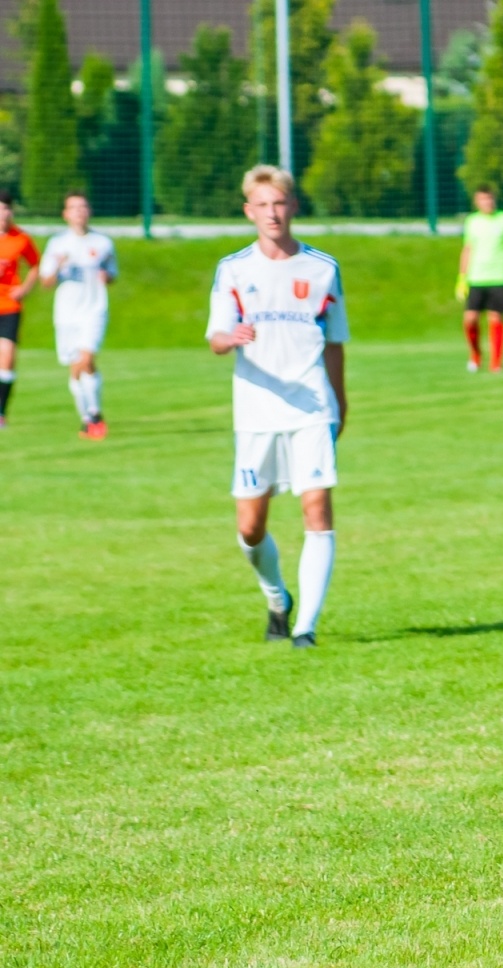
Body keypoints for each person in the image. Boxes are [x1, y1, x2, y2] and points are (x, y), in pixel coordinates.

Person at [206, 166, 349, 648]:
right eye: (262, 205)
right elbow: (216, 338)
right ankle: (277, 598)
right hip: (256, 412)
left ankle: (306, 628)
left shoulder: (323, 268)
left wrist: (340, 401)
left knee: (317, 508)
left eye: (280, 202)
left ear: (294, 207)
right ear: (249, 211)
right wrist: (231, 337)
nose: (272, 212)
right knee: (250, 528)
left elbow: (335, 343)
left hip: (311, 408)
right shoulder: (233, 269)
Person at [40, 191, 116, 439]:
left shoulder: (103, 243)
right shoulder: (57, 244)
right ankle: (88, 418)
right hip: (66, 314)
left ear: (89, 211)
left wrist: (107, 277)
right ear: (65, 214)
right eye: (74, 208)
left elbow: (112, 273)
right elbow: (46, 281)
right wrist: (59, 265)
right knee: (75, 368)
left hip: (94, 310)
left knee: (87, 358)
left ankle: (94, 414)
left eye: (83, 207)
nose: (79, 212)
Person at [456, 186, 503, 373]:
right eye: (483, 199)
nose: (487, 202)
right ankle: (476, 354)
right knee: (470, 320)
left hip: (499, 276)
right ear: (477, 201)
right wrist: (462, 277)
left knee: (496, 318)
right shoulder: (472, 221)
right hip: (476, 278)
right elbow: (467, 249)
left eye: (490, 198)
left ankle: (496, 362)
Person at [0, 189, 40, 429]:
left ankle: (1, 411)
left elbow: (35, 264)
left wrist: (25, 288)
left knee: (7, 356)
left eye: (6, 208)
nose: (2, 214)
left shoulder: (20, 238)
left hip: (9, 306)